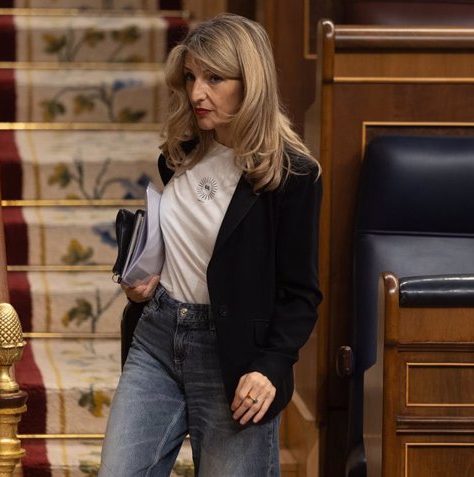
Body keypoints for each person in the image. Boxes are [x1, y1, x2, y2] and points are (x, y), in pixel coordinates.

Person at [99, 13, 322, 476]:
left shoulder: (293, 175)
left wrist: (270, 367)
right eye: (192, 77)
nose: (197, 93)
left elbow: (301, 294)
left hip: (235, 361)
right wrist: (143, 280)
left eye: (215, 78)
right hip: (157, 338)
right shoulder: (180, 150)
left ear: (251, 82)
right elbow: (181, 245)